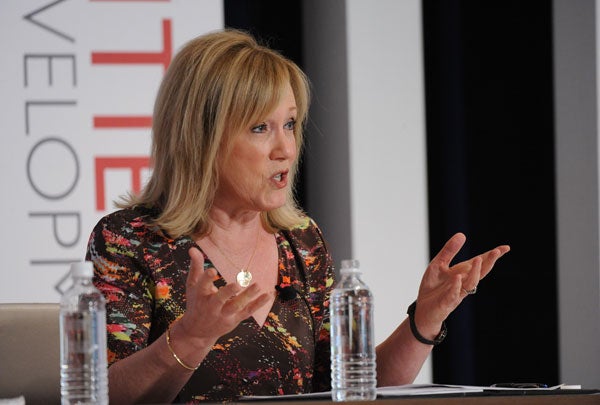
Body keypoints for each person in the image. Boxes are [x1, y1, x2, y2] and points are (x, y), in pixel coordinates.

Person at [86, 29, 510, 404]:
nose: (285, 149)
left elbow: (348, 386)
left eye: (289, 124)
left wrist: (423, 321)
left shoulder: (301, 242)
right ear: (201, 138)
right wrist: (191, 336)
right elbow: (105, 396)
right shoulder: (130, 241)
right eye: (259, 128)